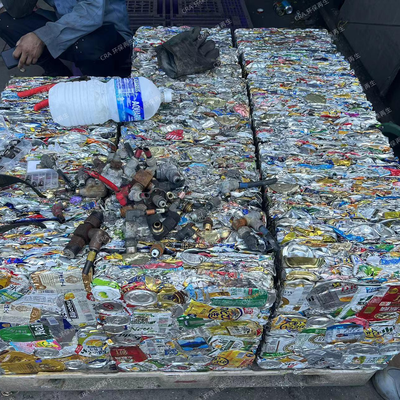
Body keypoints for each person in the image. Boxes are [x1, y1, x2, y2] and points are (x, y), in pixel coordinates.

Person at [0, 0, 132, 77]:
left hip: (111, 37)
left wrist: (42, 36)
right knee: (6, 22)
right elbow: (18, 11)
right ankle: (58, 75)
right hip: (67, 27)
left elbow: (91, 14)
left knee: (85, 45)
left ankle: (100, 88)